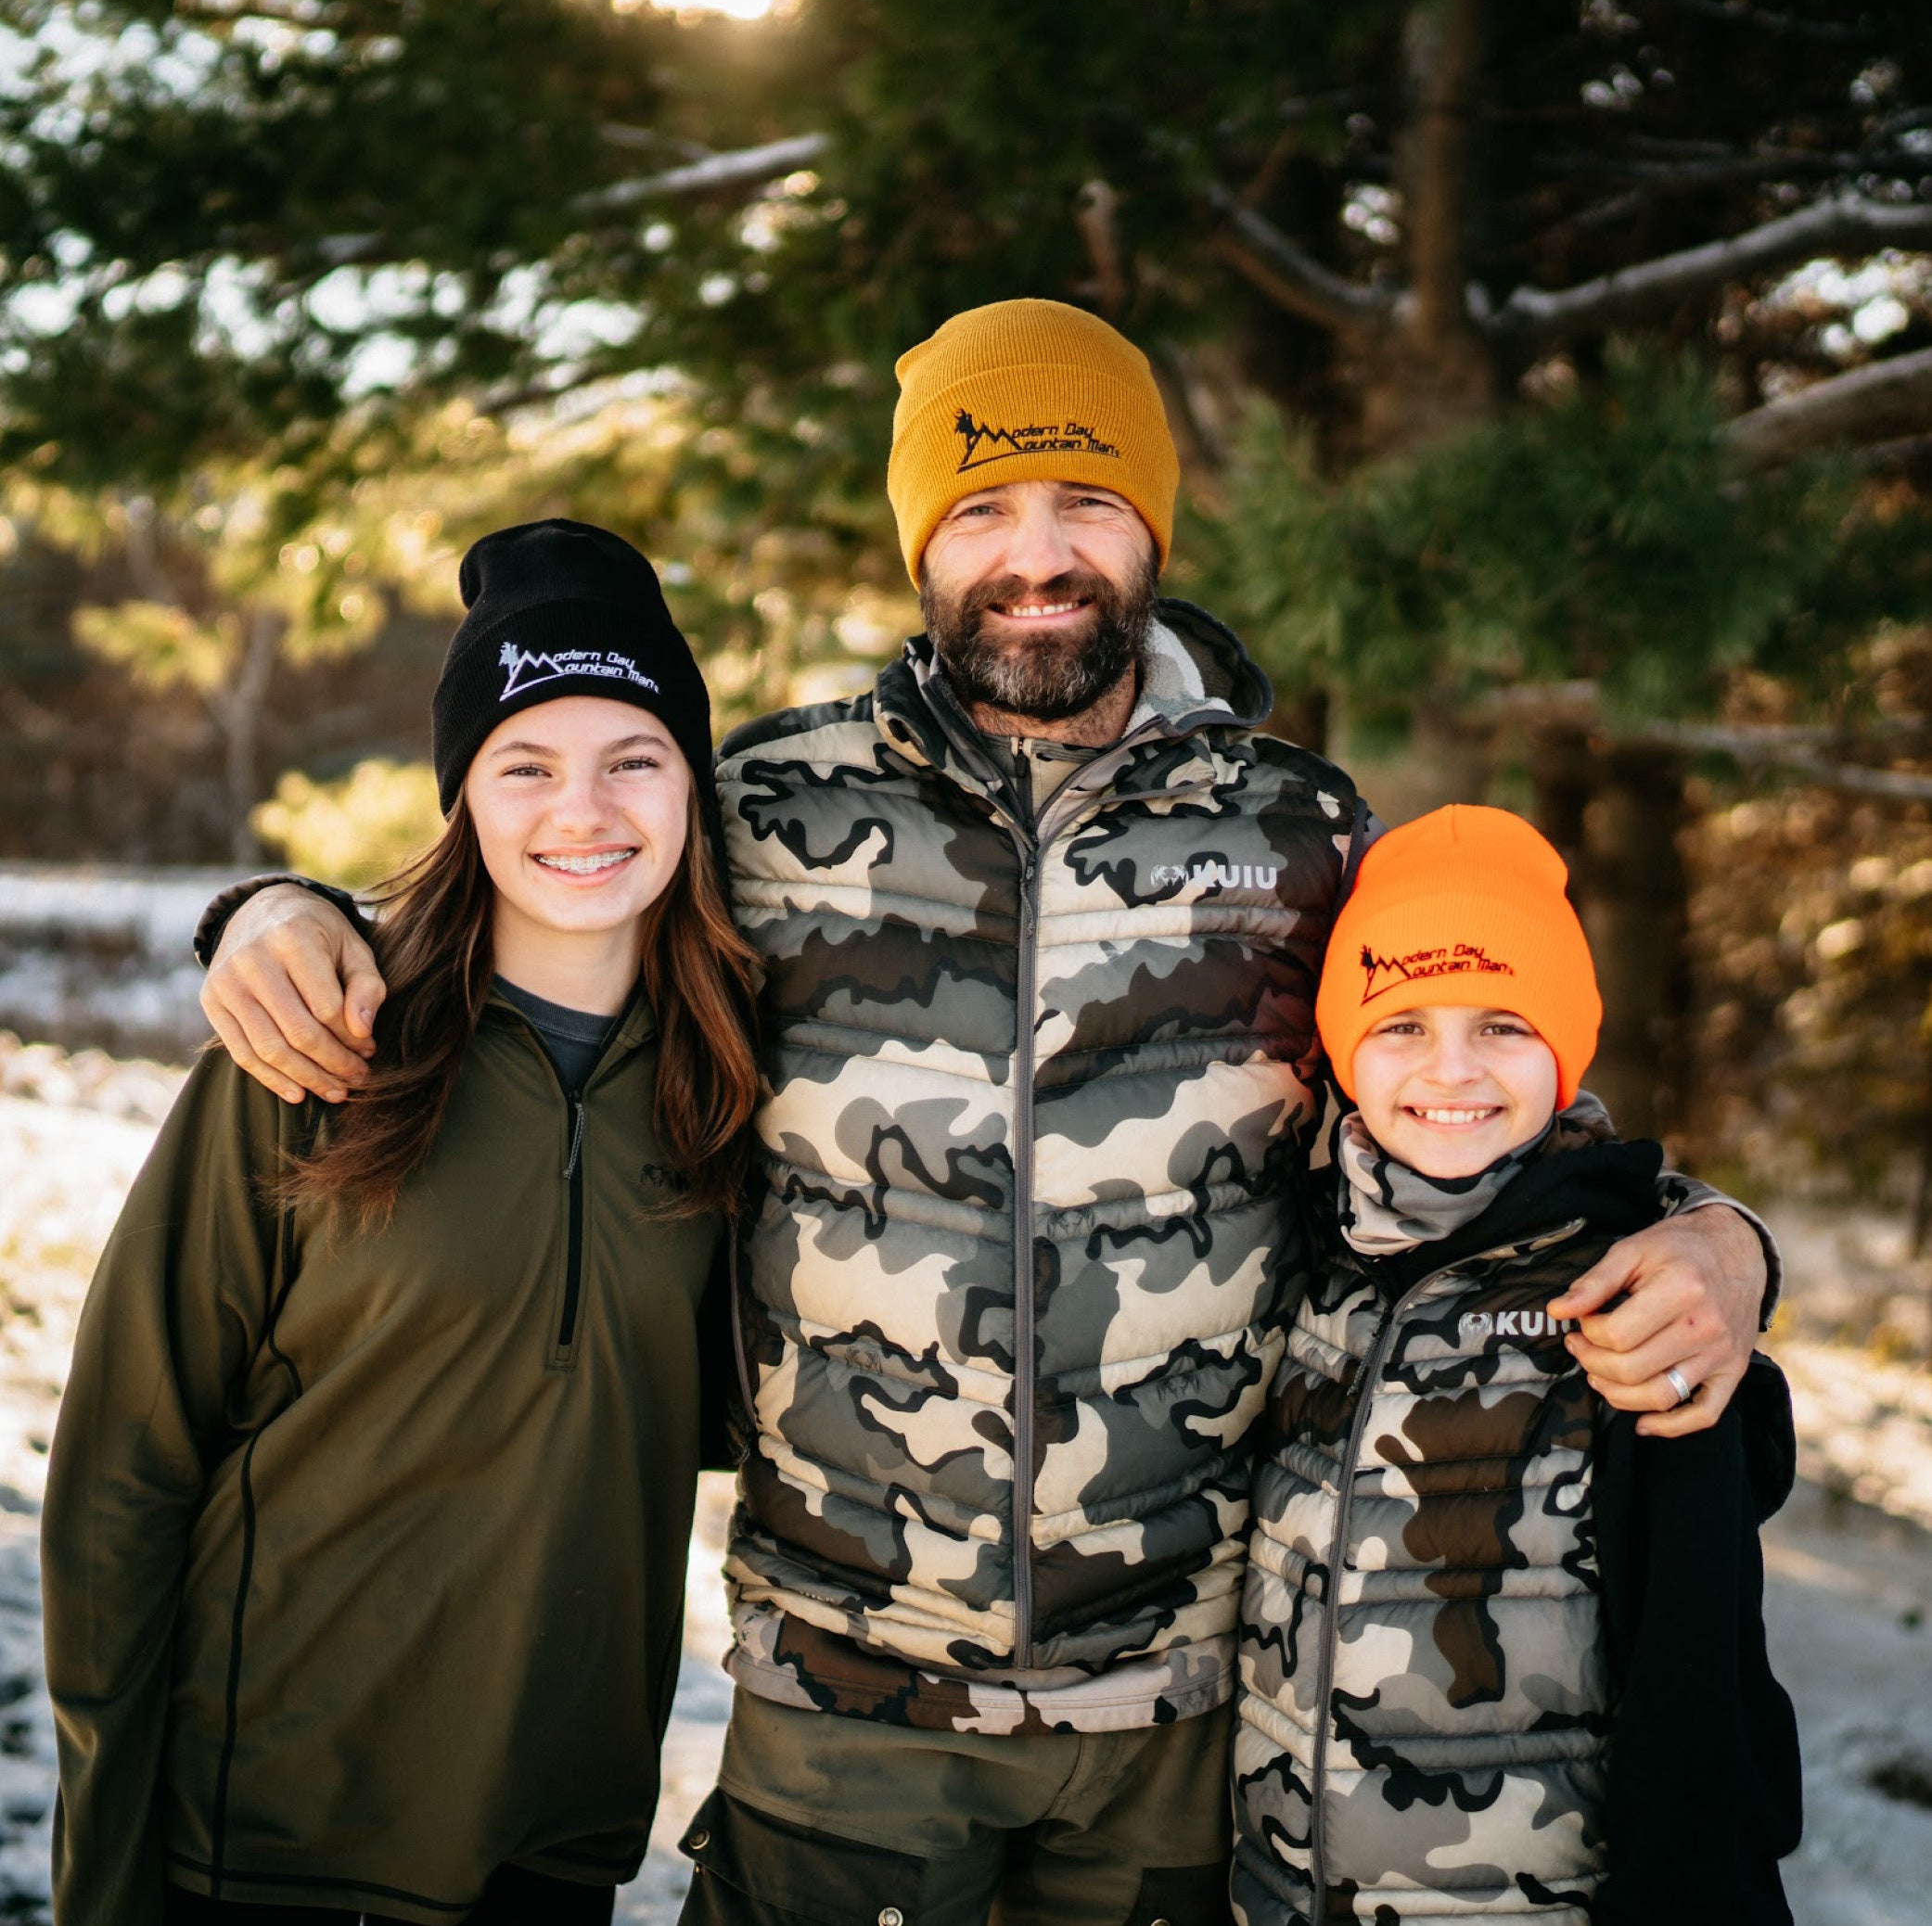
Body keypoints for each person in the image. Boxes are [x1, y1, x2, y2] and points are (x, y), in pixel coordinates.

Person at [193, 302, 1777, 1926]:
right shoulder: (765, 811)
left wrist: (1712, 1234)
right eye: (982, 509)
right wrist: (272, 910)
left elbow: (1466, 1084)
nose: (1038, 554)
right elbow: (534, 907)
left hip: (1174, 1709)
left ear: (1150, 526)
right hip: (844, 1701)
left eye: (1086, 501)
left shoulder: (1294, 827)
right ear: (919, 545)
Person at [43, 521, 761, 1924]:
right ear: (462, 797)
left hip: (549, 1850)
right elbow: (121, 1471)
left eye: (635, 757)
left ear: (690, 786)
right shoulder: (307, 1053)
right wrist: (104, 1870)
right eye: (526, 764)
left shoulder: (732, 1085)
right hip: (262, 1840)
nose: (584, 811)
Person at [1233, 805, 1801, 1926]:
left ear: (1565, 1040)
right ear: (1344, 1045)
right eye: (1401, 1024)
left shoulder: (1640, 1304)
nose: (1452, 1070)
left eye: (1502, 1023)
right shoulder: (1300, 1261)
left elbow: (1706, 1715)